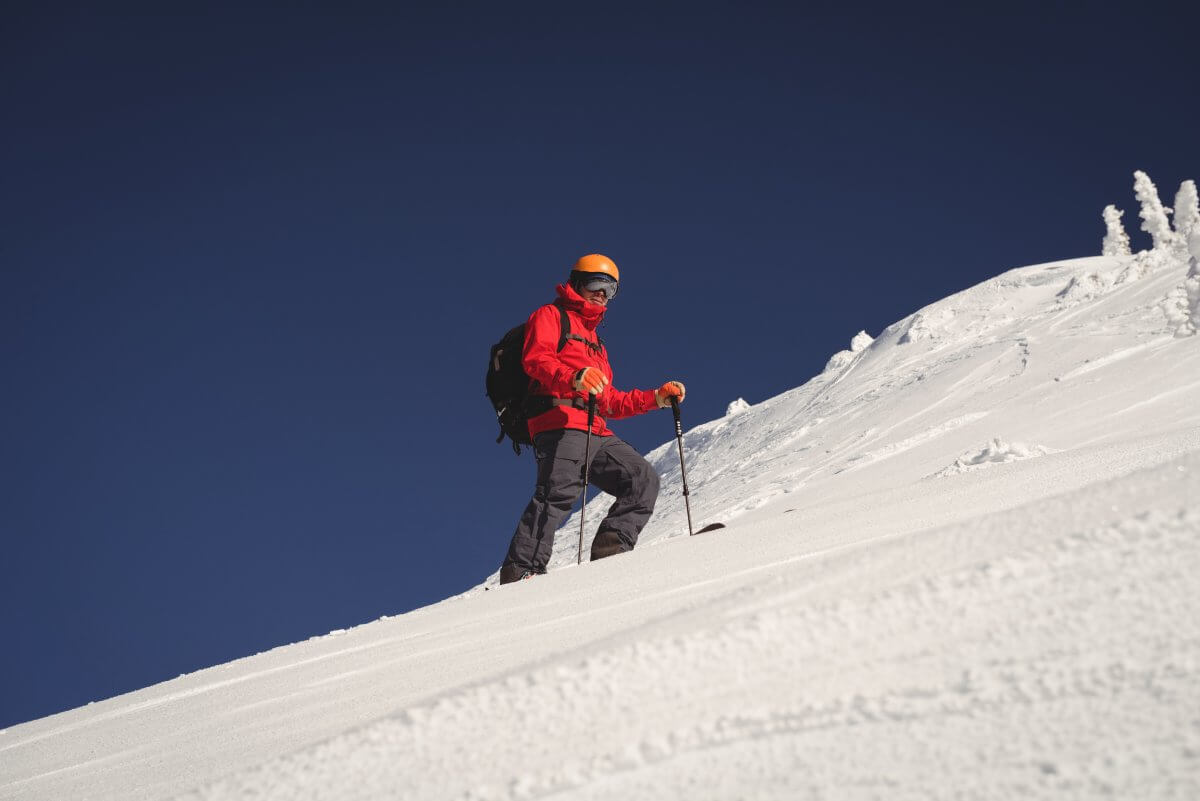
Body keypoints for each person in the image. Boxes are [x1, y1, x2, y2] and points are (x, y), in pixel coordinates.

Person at [499, 254, 685, 584]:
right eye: (596, 284)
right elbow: (536, 360)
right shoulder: (551, 315)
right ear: (577, 282)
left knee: (642, 479)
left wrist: (656, 397)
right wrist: (573, 377)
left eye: (610, 289)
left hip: (595, 428)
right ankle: (522, 572)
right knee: (557, 493)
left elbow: (610, 400)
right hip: (559, 421)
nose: (602, 293)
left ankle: (611, 555)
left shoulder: (598, 345)